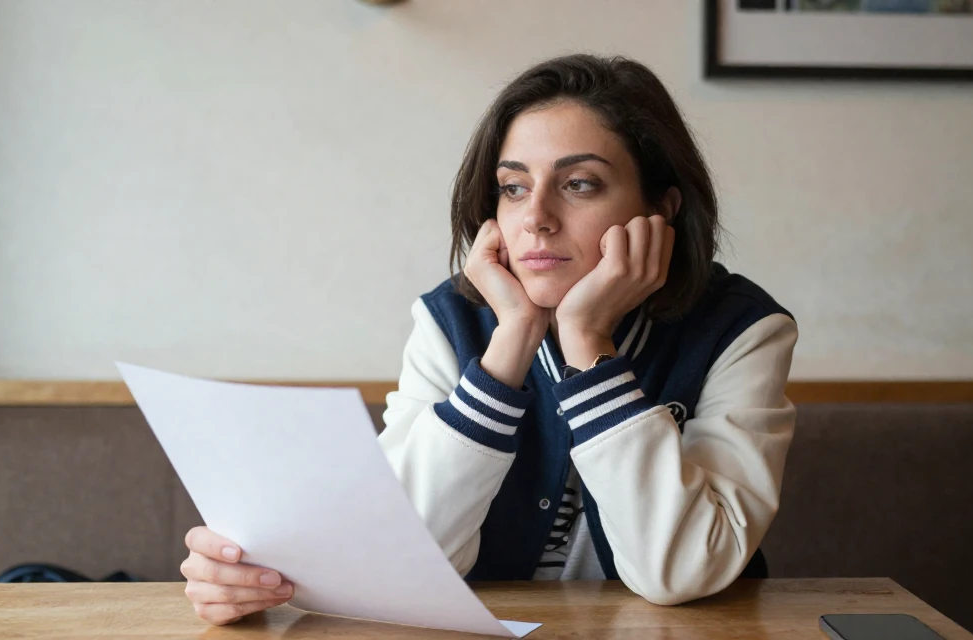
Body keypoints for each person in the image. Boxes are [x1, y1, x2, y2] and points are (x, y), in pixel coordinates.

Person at [180, 53, 798, 626]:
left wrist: (586, 339)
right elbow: (398, 556)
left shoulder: (742, 332)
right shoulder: (448, 324)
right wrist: (510, 346)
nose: (536, 217)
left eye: (579, 183)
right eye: (513, 186)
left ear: (660, 209)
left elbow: (680, 571)